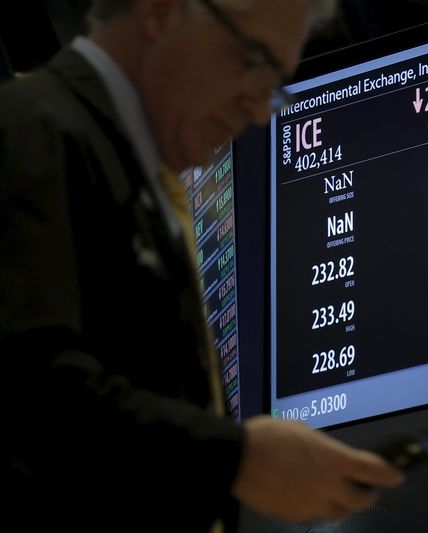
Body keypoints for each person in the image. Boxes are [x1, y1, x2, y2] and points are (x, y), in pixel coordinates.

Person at [0, 0, 404, 530]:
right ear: (163, 12)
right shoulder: (30, 125)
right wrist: (236, 456)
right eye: (254, 59)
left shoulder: (139, 187)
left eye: (277, 81)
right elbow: (24, 389)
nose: (261, 110)